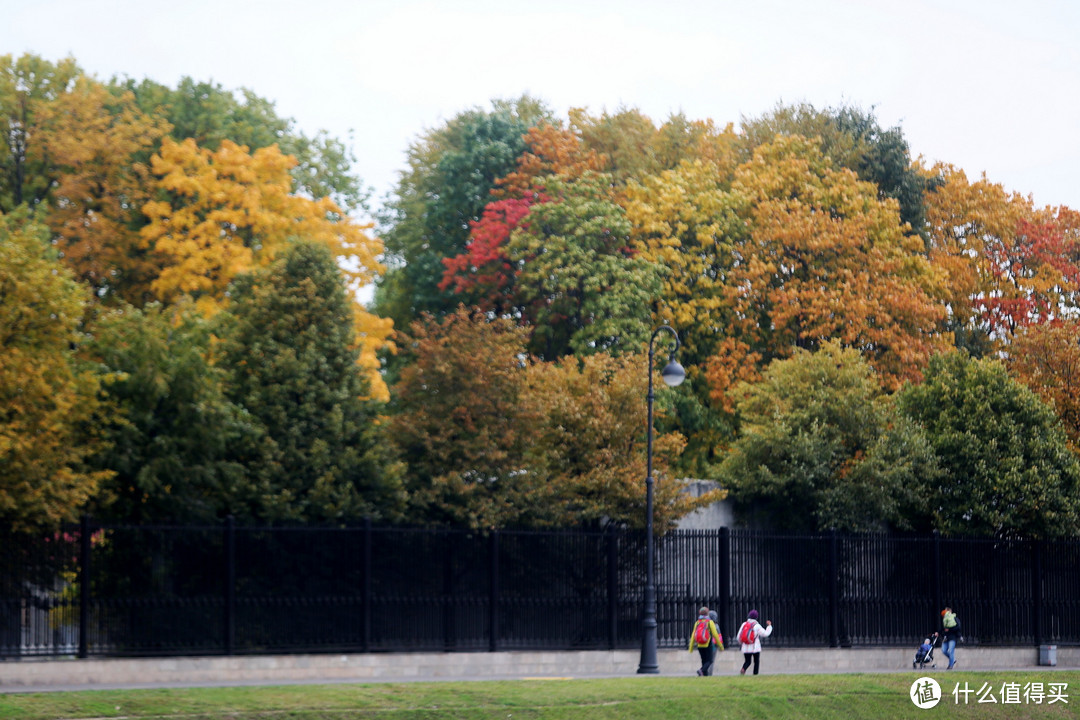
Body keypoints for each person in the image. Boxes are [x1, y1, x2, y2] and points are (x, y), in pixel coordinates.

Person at [688, 606, 723, 676]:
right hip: (707, 644)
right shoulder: (710, 622)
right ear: (707, 614)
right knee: (710, 660)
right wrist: (721, 646)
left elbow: (693, 636)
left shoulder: (697, 623)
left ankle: (705, 675)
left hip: (699, 645)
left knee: (704, 661)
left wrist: (691, 647)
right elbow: (715, 635)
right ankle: (701, 670)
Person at [738, 609, 773, 675]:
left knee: (747, 661)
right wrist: (769, 626)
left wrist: (741, 643)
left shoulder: (744, 624)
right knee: (756, 661)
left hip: (745, 647)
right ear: (756, 617)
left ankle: (743, 669)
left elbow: (738, 636)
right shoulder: (757, 626)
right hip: (755, 647)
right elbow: (765, 634)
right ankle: (755, 674)